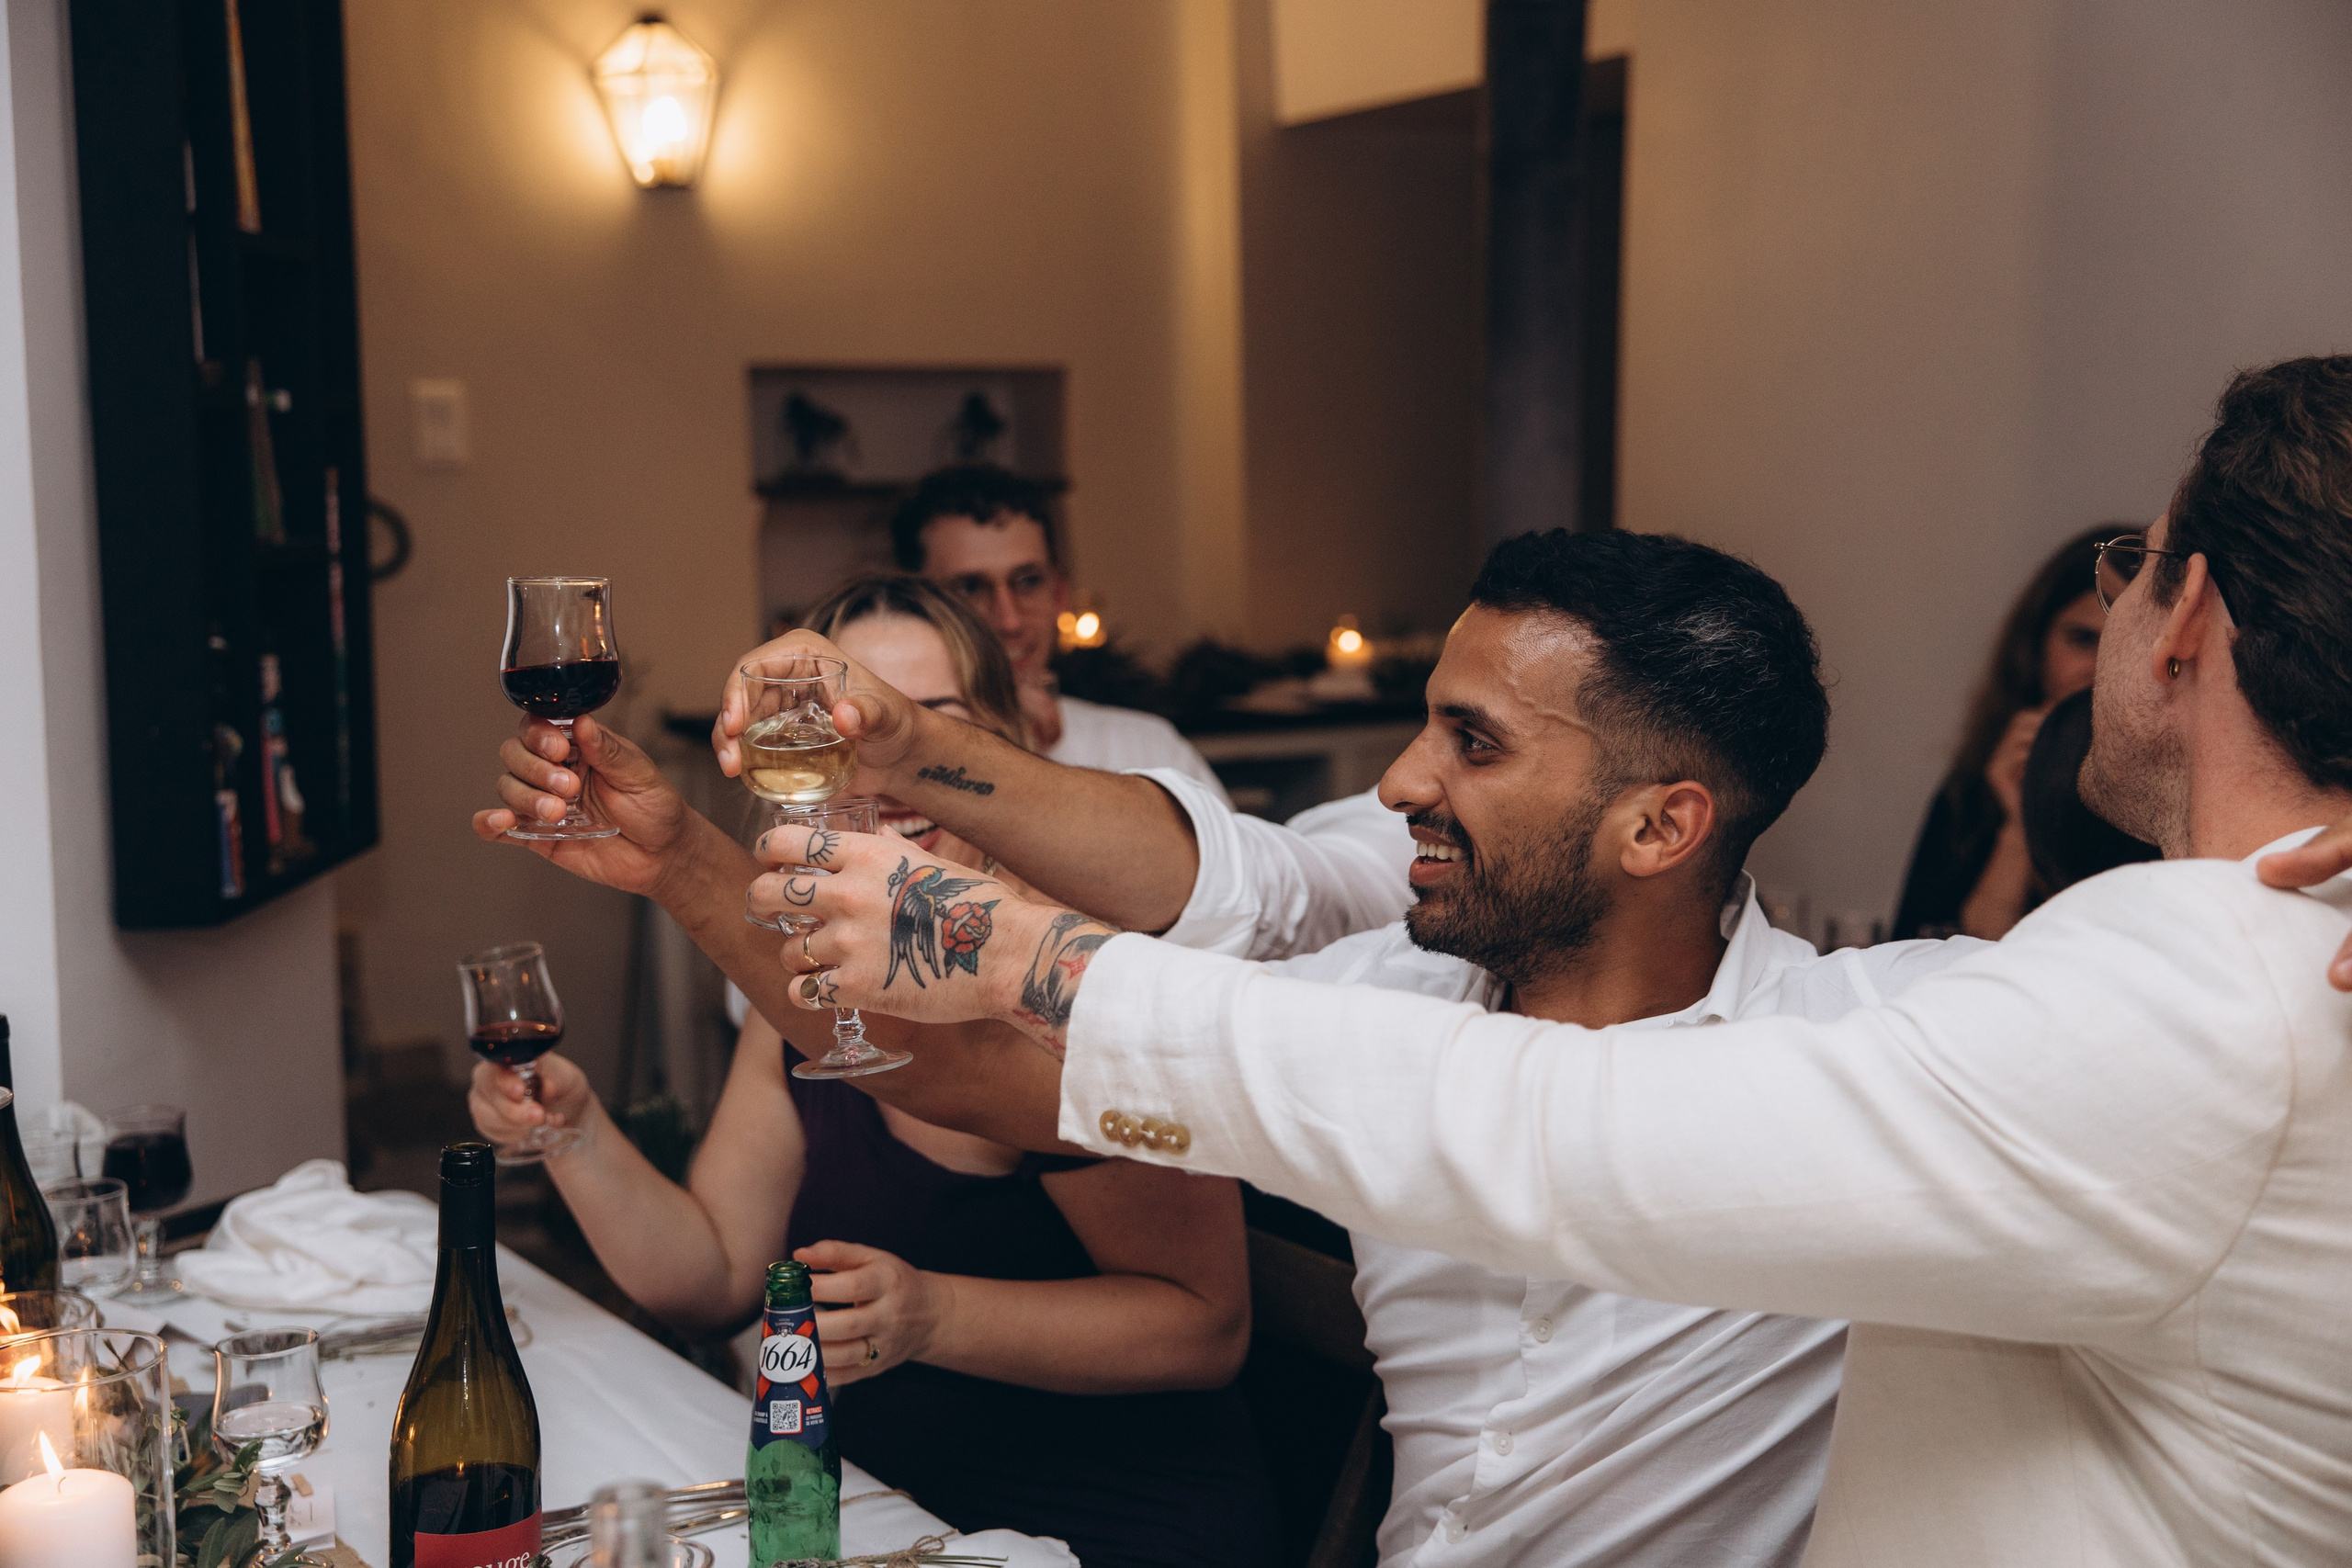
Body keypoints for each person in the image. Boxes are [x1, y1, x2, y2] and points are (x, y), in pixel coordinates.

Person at [775, 356, 2352, 1566]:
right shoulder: (2249, 969)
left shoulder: (2154, 996)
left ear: (2189, 614)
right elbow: (1272, 895)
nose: (1405, 782)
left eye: (2132, 564)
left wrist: (1048, 960)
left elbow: (1554, 1132)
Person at [729, 532, 1976, 1568]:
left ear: (1661, 824)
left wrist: (1022, 951)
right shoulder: (1376, 986)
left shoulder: (1863, 1064)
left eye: (1471, 741)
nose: (1396, 781)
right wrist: (680, 849)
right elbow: (1009, 1069)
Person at [470, 575, 1276, 1568]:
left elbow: (1206, 1329)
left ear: (1001, 739)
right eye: (834, 719)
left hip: (1114, 1520)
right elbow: (716, 1275)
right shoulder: (809, 981)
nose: (877, 761)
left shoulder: (1071, 977)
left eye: (917, 722)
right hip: (891, 1516)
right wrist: (577, 1131)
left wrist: (932, 1314)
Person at [889, 465, 1229, 796]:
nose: (1010, 622)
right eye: (969, 588)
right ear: (914, 609)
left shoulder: (1149, 752)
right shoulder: (887, 765)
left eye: (1028, 582)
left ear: (1059, 595)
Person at [1893, 525, 2113, 939]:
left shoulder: (2164, 801)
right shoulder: (1973, 792)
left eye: (2120, 641)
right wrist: (2019, 825)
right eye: (2083, 639)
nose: (2099, 668)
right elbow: (1934, 966)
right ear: (2033, 649)